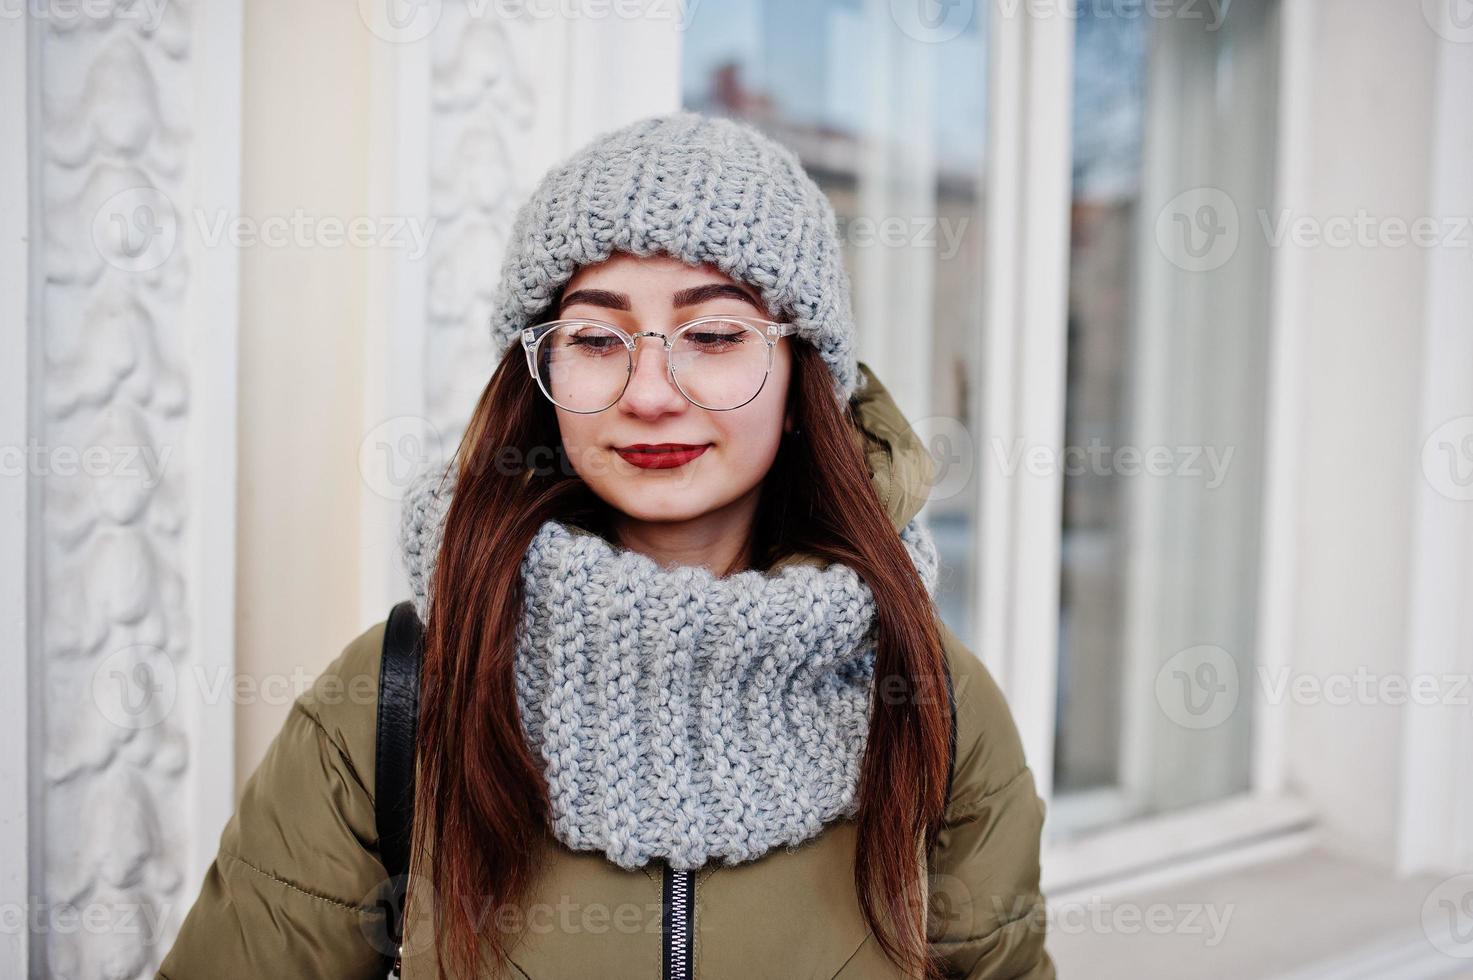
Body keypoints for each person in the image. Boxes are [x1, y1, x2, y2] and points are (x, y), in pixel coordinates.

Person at [158, 110, 1054, 980]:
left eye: (712, 334)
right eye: (595, 337)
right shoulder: (395, 699)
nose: (651, 393)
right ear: (541, 372)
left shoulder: (929, 698)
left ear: (801, 372)